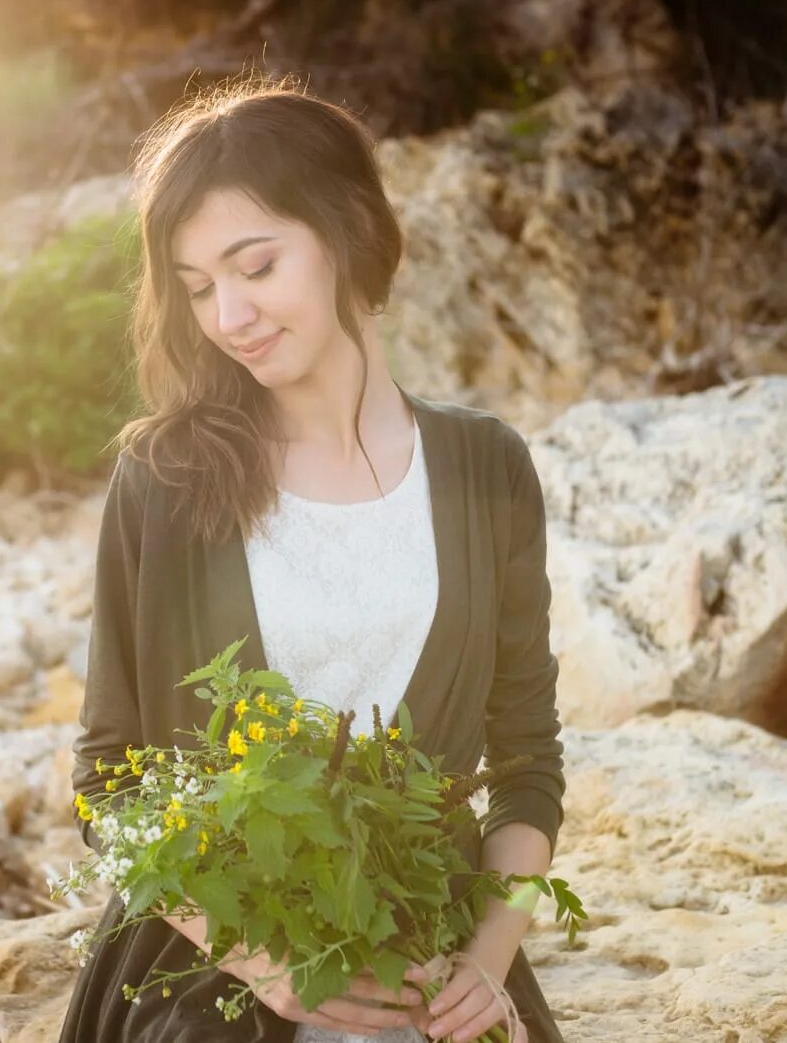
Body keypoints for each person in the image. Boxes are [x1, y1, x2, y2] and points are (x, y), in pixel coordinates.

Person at [58, 75, 567, 1043]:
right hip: (206, 963)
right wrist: (266, 960)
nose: (228, 315)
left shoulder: (489, 468)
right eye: (199, 287)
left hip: (433, 952)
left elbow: (528, 760)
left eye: (255, 265)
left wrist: (484, 967)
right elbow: (109, 781)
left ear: (342, 232)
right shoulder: (163, 481)